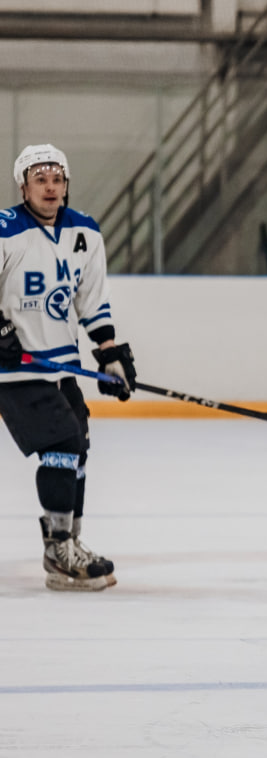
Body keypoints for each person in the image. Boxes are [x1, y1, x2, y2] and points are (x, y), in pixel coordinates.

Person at [0, 144, 136, 591]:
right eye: (40, 180)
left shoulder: (85, 232)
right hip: (16, 369)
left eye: (57, 179)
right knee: (62, 442)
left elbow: (91, 300)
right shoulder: (5, 230)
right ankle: (58, 552)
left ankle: (70, 541)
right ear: (24, 187)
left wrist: (109, 353)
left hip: (61, 366)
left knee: (79, 446)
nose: (50, 187)